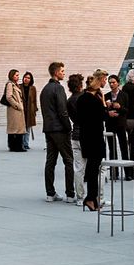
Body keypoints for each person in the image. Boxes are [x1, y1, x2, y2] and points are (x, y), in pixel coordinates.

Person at [71, 71, 108, 209]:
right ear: (99, 81)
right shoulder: (94, 99)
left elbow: (80, 119)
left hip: (85, 137)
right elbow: (104, 117)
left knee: (91, 169)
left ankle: (92, 198)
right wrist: (103, 103)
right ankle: (91, 198)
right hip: (95, 137)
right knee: (94, 169)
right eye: (104, 79)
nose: (105, 82)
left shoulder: (81, 99)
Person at [40, 62, 76, 200]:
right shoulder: (58, 89)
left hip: (49, 128)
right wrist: (68, 127)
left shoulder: (45, 89)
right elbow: (63, 111)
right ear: (56, 73)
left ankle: (50, 193)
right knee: (68, 160)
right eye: (62, 71)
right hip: (59, 129)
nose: (63, 73)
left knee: (50, 161)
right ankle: (70, 193)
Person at [2, 68, 26, 151]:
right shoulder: (10, 84)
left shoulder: (15, 84)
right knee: (16, 129)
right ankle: (16, 146)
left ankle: (14, 146)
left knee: (16, 128)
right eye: (16, 75)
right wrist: (17, 105)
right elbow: (8, 97)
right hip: (14, 110)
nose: (18, 77)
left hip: (16, 110)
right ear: (12, 76)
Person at [21, 71, 39, 146]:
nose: (26, 79)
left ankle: (26, 143)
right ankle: (21, 143)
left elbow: (34, 100)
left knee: (28, 127)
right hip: (21, 109)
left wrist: (34, 110)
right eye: (25, 77)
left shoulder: (33, 88)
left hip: (30, 110)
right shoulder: (19, 87)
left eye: (28, 78)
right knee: (21, 127)